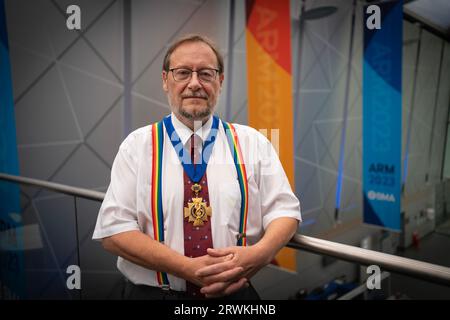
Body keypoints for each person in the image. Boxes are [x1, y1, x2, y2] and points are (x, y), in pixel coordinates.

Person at [92, 34, 301, 300]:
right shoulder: (136, 146)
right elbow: (112, 230)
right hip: (155, 295)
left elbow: (285, 210)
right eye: (182, 73)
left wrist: (260, 255)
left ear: (220, 81)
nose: (194, 83)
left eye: (205, 73)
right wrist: (187, 269)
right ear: (165, 80)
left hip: (235, 296)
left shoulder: (254, 142)